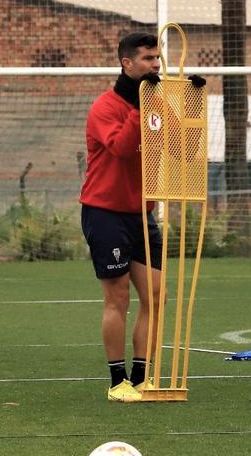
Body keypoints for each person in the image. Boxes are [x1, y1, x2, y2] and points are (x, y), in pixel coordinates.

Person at [79, 33, 205, 402]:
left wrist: (193, 104)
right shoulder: (105, 106)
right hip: (104, 212)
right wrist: (142, 105)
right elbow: (119, 148)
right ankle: (117, 381)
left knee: (156, 296)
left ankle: (140, 377)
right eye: (148, 59)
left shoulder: (157, 105)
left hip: (141, 213)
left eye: (157, 59)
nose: (155, 65)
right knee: (117, 298)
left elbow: (185, 150)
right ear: (127, 64)